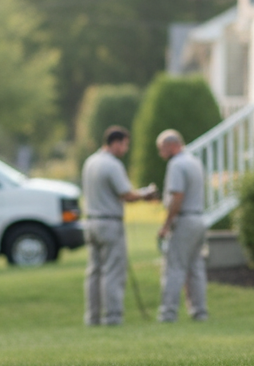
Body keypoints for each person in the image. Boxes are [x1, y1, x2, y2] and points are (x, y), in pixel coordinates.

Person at [81, 126, 156, 326]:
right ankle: (112, 317)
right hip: (109, 224)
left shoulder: (90, 162)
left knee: (94, 273)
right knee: (113, 272)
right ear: (115, 143)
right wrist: (145, 194)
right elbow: (127, 195)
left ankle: (92, 317)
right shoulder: (112, 165)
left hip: (91, 222)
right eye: (125, 144)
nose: (125, 149)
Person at [156, 129, 208, 322]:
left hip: (184, 220)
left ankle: (167, 313)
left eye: (162, 149)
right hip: (199, 219)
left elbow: (177, 197)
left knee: (174, 268)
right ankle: (200, 312)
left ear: (171, 146)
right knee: (196, 268)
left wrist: (166, 225)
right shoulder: (194, 162)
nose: (161, 154)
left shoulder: (176, 164)